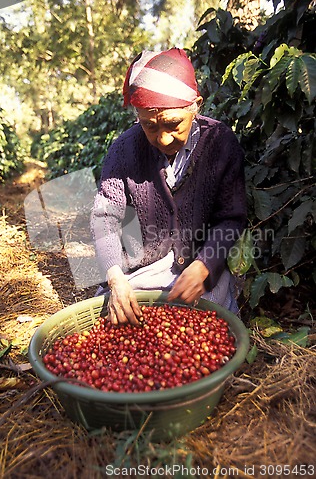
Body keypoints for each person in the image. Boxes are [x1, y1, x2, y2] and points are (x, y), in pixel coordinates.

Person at [91, 48, 247, 325]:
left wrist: (205, 265)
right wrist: (115, 278)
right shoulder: (124, 150)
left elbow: (231, 218)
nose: (163, 139)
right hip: (142, 272)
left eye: (173, 124)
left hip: (200, 267)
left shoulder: (220, 143)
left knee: (208, 327)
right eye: (149, 126)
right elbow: (105, 219)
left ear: (195, 106)